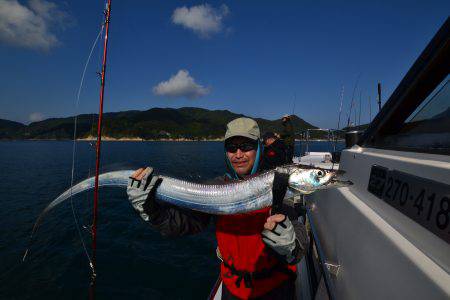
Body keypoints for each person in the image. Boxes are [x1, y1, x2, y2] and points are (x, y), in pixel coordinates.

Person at [127, 117, 308, 299]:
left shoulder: (277, 184)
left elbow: (299, 238)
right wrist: (150, 209)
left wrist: (292, 245)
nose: (238, 154)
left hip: (274, 289)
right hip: (232, 289)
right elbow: (183, 224)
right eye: (232, 148)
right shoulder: (215, 188)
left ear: (258, 148)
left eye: (246, 146)